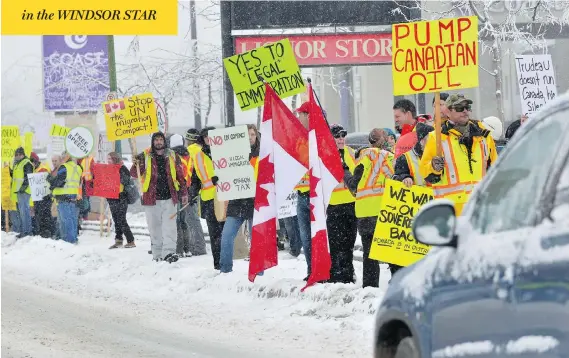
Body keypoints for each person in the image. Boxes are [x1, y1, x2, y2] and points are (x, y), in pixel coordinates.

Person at [420, 94, 498, 216]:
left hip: (479, 209)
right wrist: (434, 168)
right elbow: (426, 174)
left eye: (467, 107)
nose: (465, 111)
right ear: (448, 112)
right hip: (450, 212)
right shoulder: (437, 138)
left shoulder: (483, 136)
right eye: (459, 108)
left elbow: (495, 169)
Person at [345, 129, 394, 288]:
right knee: (391, 250)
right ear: (384, 141)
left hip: (365, 212)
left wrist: (345, 172)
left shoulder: (363, 158)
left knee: (369, 254)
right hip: (386, 211)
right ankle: (398, 282)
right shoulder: (392, 158)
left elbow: (354, 185)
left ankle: (370, 287)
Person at [132, 132, 187, 263]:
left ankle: (169, 253)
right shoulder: (144, 156)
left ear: (164, 141)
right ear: (153, 142)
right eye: (156, 140)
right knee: (154, 228)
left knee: (170, 228)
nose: (158, 142)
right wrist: (136, 164)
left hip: (170, 197)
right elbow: (134, 174)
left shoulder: (173, 156)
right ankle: (157, 254)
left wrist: (184, 193)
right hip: (151, 199)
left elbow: (180, 176)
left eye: (160, 139)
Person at [392, 123, 434, 277]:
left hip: (433, 210)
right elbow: (396, 175)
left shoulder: (438, 156)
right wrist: (405, 177)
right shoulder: (406, 158)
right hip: (413, 212)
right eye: (430, 139)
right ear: (422, 140)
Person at [219, 124, 260, 273]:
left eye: (253, 135)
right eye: (247, 135)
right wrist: (217, 178)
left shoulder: (262, 155)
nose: (250, 138)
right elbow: (225, 176)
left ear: (257, 136)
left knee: (257, 239)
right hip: (237, 201)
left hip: (256, 201)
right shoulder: (233, 156)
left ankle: (258, 272)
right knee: (227, 236)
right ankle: (225, 270)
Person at [189, 127, 225, 269]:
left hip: (224, 197)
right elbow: (195, 178)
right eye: (206, 137)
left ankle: (226, 261)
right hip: (209, 199)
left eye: (211, 136)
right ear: (202, 139)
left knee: (225, 233)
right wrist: (192, 193)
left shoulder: (224, 152)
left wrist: (221, 178)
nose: (209, 139)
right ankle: (218, 264)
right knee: (214, 233)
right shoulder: (198, 156)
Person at [327, 124, 358, 284]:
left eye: (343, 135)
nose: (340, 139)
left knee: (349, 242)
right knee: (336, 243)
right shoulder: (325, 154)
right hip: (334, 206)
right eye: (337, 136)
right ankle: (336, 273)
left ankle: (348, 272)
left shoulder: (351, 153)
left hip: (351, 205)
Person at [293, 102, 312, 280]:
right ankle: (310, 270)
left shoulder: (317, 137)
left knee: (317, 236)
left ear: (307, 116)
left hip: (315, 194)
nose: (298, 118)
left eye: (300, 114)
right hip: (301, 195)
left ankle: (320, 269)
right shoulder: (297, 138)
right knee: (305, 238)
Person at [48, 151, 82, 244]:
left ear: (66, 158)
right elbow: (78, 182)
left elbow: (59, 182)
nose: (62, 159)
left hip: (63, 196)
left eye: (63, 157)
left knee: (65, 220)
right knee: (72, 219)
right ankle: (73, 239)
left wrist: (50, 181)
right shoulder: (78, 168)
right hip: (73, 196)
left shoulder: (64, 167)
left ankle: (68, 241)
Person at [185, 128, 208, 256]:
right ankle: (197, 246)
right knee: (193, 219)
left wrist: (191, 190)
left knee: (192, 219)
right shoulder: (202, 150)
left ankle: (198, 247)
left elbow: (190, 173)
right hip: (203, 189)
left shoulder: (190, 151)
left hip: (191, 188)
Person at [106, 152, 136, 249]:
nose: (108, 161)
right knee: (116, 219)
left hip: (121, 197)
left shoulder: (122, 168)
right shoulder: (108, 169)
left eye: (110, 159)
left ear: (115, 159)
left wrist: (115, 175)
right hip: (111, 197)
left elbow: (125, 180)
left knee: (121, 219)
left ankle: (130, 240)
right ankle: (118, 240)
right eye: (108, 159)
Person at [10, 147, 34, 238]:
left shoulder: (26, 163)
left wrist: (22, 189)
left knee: (25, 213)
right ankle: (25, 231)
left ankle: (27, 232)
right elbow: (16, 177)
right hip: (20, 192)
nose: (16, 157)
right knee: (22, 213)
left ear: (22, 155)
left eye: (17, 155)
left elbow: (28, 177)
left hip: (24, 192)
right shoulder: (18, 164)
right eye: (15, 155)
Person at [30, 152, 54, 238]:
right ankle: (43, 232)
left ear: (35, 161)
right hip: (38, 197)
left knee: (44, 215)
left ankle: (46, 232)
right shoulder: (36, 169)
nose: (31, 163)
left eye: (32, 161)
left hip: (45, 196)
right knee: (40, 215)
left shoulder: (42, 168)